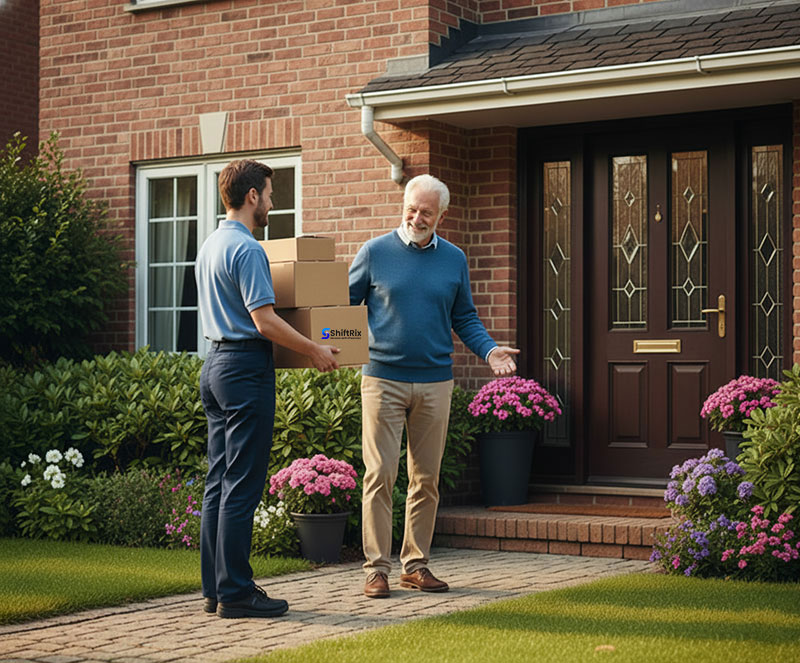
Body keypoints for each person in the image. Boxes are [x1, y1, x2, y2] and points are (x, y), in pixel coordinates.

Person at [349, 174, 519, 598]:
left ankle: (415, 564)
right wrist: (333, 349)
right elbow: (340, 310)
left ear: (442, 214)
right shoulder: (374, 252)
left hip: (434, 382)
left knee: (426, 478)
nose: (416, 217)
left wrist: (490, 351)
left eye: (426, 211)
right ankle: (376, 569)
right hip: (382, 379)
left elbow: (464, 318)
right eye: (411, 208)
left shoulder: (454, 259)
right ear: (403, 204)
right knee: (380, 475)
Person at [195, 159, 339, 618]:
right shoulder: (248, 249)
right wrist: (315, 349)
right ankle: (236, 592)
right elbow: (265, 320)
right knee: (241, 484)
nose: (272, 203)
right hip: (243, 367)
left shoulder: (210, 245)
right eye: (271, 195)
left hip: (214, 364)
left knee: (219, 481)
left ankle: (215, 589)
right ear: (252, 195)